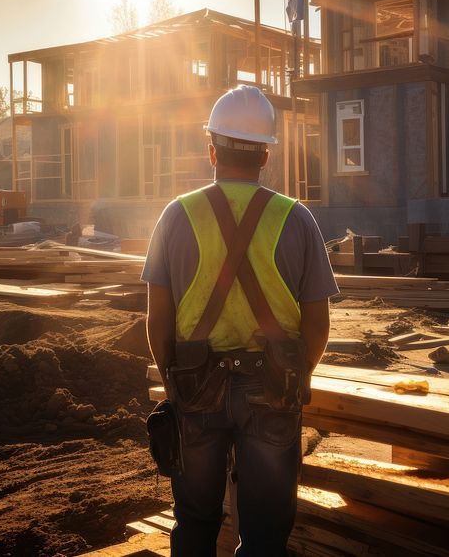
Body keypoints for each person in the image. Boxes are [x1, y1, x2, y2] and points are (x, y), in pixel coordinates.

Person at [142, 85, 338, 556]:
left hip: (194, 386)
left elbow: (157, 320)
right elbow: (318, 323)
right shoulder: (297, 218)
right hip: (273, 388)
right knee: (266, 534)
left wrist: (174, 381)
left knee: (194, 523)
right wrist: (296, 376)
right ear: (266, 156)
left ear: (212, 149)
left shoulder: (175, 216)